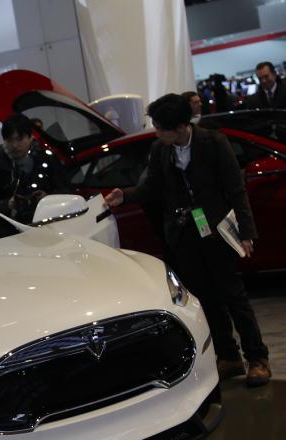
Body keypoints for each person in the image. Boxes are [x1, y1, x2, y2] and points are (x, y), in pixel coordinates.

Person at [102, 93, 271, 387]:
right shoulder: (160, 149)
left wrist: (246, 233)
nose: (156, 132)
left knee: (234, 296)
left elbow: (236, 190)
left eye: (160, 128)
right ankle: (228, 356)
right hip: (183, 235)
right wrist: (125, 195)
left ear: (180, 127)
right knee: (205, 299)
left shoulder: (214, 143)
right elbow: (151, 186)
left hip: (216, 230)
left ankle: (257, 358)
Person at [0, 114, 64, 223]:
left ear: (30, 137)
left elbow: (66, 190)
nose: (15, 145)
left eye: (20, 139)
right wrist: (8, 204)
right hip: (10, 226)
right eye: (9, 140)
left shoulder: (46, 158)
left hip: (49, 219)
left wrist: (48, 198)